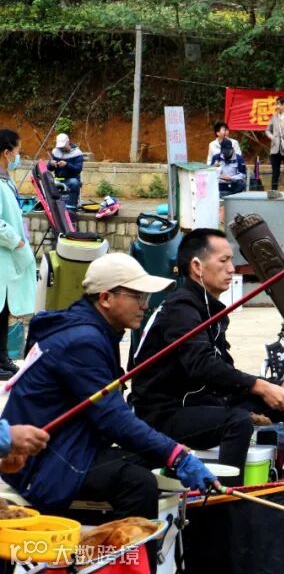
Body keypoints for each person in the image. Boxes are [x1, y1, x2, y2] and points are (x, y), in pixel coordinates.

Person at [2, 253, 218, 519]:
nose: (145, 305)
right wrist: (175, 454)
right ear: (105, 298)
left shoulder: (93, 329)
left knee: (153, 457)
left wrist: (170, 452)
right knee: (139, 484)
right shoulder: (82, 341)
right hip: (38, 463)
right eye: (137, 296)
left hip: (67, 444)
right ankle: (122, 546)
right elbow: (113, 418)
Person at [131, 229, 284, 483]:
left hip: (198, 403)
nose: (232, 269)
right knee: (237, 422)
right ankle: (228, 494)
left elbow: (225, 371)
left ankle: (271, 478)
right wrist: (260, 386)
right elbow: (201, 364)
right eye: (223, 261)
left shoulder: (210, 310)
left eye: (231, 260)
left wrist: (278, 387)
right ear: (197, 266)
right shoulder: (181, 308)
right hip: (162, 414)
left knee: (277, 405)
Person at [0, 129, 31, 377]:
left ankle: (2, 358)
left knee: (4, 309)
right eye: (17, 151)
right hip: (5, 252)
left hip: (7, 257)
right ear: (6, 152)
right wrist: (16, 241)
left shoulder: (5, 179)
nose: (19, 157)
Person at [47, 133, 85, 209]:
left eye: (63, 146)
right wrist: (51, 164)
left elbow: (78, 169)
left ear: (68, 142)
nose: (62, 149)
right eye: (60, 147)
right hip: (58, 179)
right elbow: (49, 168)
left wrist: (67, 165)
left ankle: (71, 207)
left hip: (71, 179)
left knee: (74, 182)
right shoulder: (55, 151)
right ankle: (53, 207)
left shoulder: (77, 153)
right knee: (47, 182)